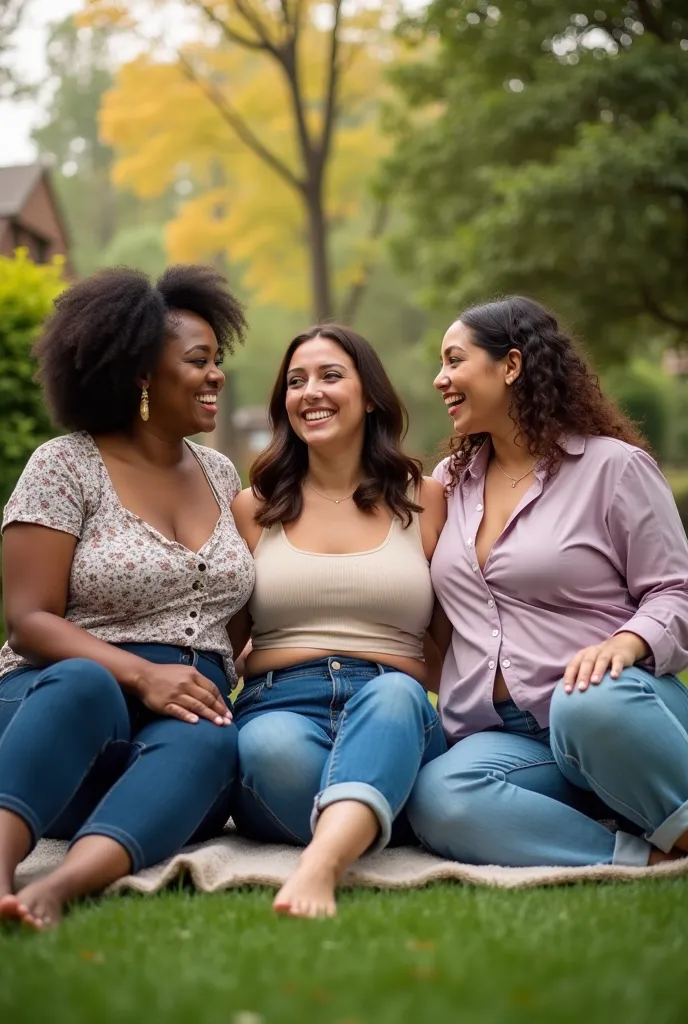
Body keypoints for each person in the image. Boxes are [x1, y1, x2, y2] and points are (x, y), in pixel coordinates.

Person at [0, 265, 254, 929]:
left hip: (167, 748)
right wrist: (142, 675)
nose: (216, 375)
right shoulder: (66, 464)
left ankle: (56, 891)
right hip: (56, 719)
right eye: (198, 361)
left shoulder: (222, 473)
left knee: (213, 739)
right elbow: (28, 621)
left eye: (217, 360)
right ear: (142, 373)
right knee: (85, 684)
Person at [407, 296, 688, 868]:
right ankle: (634, 857)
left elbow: (676, 591)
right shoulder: (448, 484)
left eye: (455, 360)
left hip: (614, 713)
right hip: (506, 736)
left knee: (584, 704)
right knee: (439, 796)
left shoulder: (613, 468)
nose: (441, 379)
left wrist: (627, 644)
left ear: (510, 366)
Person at [230, 324, 447, 918]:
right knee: (267, 750)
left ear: (370, 394)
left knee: (398, 696)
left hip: (391, 704)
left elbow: (454, 640)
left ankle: (320, 865)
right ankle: (375, 816)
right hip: (279, 704)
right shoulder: (254, 506)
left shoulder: (424, 498)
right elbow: (224, 635)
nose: (311, 392)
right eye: (296, 381)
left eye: (330, 376)